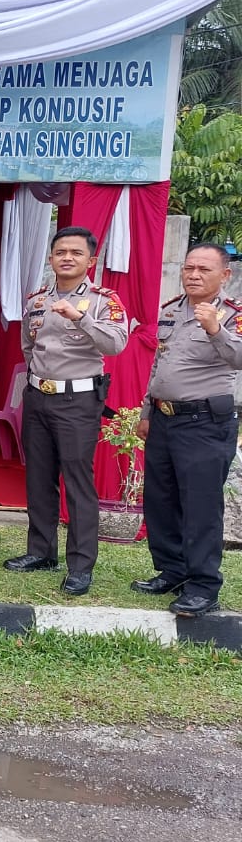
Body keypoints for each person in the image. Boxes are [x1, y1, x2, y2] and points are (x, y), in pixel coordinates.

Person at [6, 227, 128, 596]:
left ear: (90, 261)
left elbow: (117, 343)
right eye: (60, 252)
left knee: (77, 483)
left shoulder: (104, 300)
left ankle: (80, 565)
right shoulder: (37, 299)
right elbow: (29, 345)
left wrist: (81, 318)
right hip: (39, 396)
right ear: (50, 258)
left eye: (76, 253)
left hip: (77, 402)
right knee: (38, 478)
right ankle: (41, 552)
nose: (67, 258)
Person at [133, 242, 242, 618]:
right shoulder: (171, 310)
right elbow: (158, 365)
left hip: (205, 423)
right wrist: (147, 410)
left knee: (199, 506)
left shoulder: (232, 315)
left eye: (204, 270)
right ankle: (173, 570)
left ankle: (203, 585)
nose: (194, 274)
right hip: (164, 419)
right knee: (160, 500)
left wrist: (215, 330)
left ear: (224, 275)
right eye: (189, 267)